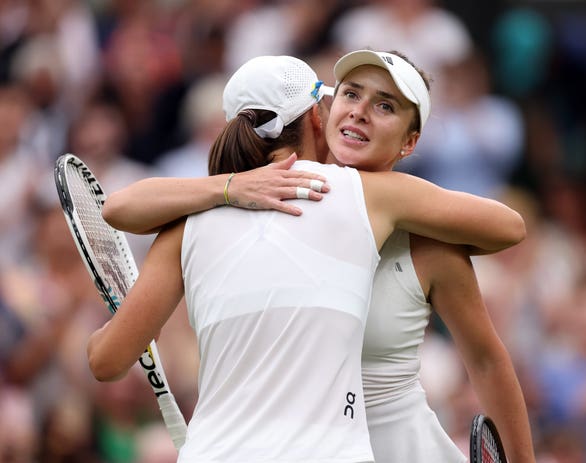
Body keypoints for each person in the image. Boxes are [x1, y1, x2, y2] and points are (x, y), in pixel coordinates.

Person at [90, 53, 531, 462]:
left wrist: (226, 188)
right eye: (351, 95)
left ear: (410, 141)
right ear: (319, 117)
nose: (359, 110)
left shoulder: (185, 221)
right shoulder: (361, 195)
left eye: (384, 106)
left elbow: (105, 357)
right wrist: (230, 188)